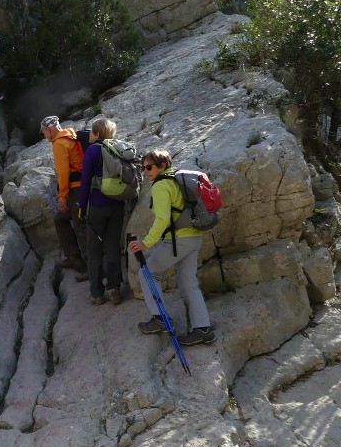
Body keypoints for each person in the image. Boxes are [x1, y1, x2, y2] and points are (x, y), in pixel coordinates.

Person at [127, 148, 216, 345]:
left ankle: (159, 319)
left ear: (163, 166)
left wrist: (145, 242)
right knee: (188, 283)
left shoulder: (161, 186)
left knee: (147, 274)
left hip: (178, 240)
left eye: (149, 167)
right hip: (194, 237)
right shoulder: (177, 181)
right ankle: (203, 329)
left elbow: (162, 219)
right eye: (143, 168)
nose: (145, 171)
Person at [78, 118, 126, 305]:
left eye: (91, 132)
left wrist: (82, 206)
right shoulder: (119, 148)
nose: (88, 134)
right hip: (118, 204)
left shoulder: (92, 150)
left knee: (95, 249)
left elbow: (85, 182)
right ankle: (114, 288)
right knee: (113, 245)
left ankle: (97, 293)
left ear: (97, 134)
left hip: (97, 206)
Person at [41, 116, 88, 280]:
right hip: (86, 185)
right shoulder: (72, 135)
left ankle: (87, 267)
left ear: (49, 129)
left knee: (79, 225)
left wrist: (62, 198)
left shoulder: (59, 143)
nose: (44, 136)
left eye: (44, 132)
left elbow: (63, 173)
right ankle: (73, 257)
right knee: (60, 219)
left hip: (76, 188)